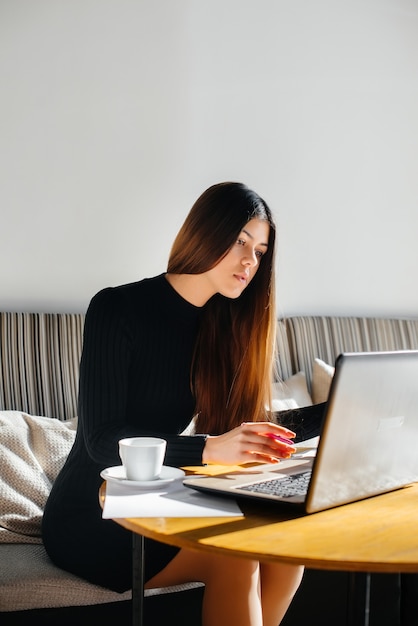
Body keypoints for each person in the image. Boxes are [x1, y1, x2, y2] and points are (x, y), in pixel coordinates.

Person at [42, 182, 305, 626]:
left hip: (156, 498)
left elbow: (250, 429)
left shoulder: (223, 326)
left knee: (287, 553)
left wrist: (338, 418)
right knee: (234, 559)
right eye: (241, 241)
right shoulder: (117, 308)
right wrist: (207, 448)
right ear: (206, 232)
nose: (249, 261)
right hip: (92, 513)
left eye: (260, 251)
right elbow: (101, 440)